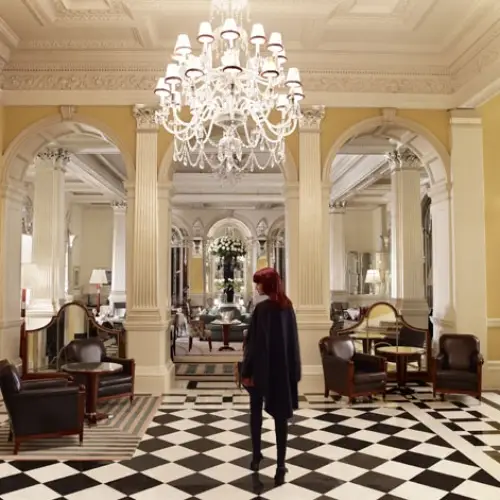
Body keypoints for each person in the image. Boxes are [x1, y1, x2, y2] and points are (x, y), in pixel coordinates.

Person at [240, 267, 301, 486]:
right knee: (281, 417)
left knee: (255, 413)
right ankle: (281, 464)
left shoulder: (262, 309)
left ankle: (256, 456)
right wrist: (294, 372)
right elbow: (293, 342)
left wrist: (246, 372)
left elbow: (254, 346)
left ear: (267, 285)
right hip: (282, 371)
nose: (256, 287)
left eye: (258, 283)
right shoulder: (288, 308)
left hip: (261, 371)